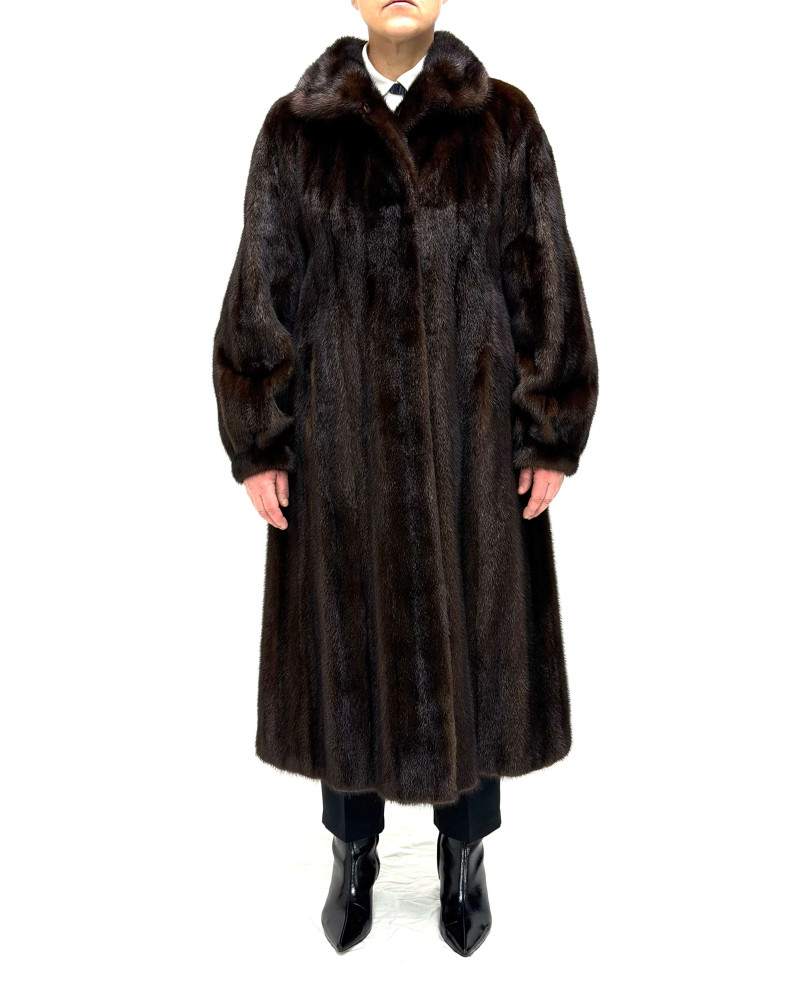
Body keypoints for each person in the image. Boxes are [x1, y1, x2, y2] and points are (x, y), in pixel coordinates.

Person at [212, 0, 599, 958]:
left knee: (479, 643)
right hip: (340, 456)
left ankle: (466, 855)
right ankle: (353, 851)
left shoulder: (504, 122)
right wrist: (261, 440)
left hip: (474, 453)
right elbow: (261, 288)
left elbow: (546, 277)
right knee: (343, 648)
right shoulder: (295, 132)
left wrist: (548, 428)